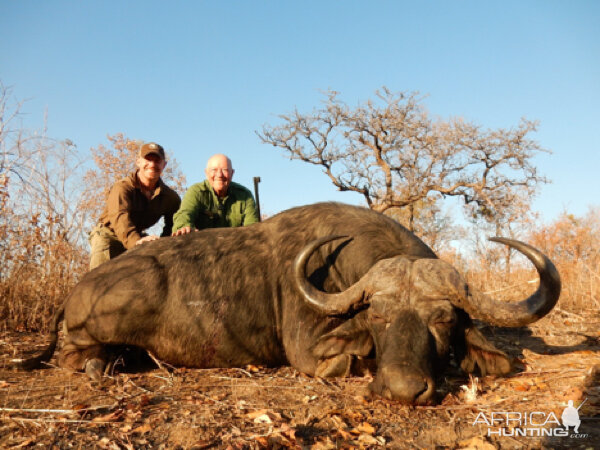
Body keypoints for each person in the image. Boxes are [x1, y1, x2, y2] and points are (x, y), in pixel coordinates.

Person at [88, 142, 181, 269]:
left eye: (157, 161)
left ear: (164, 165)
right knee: (99, 279)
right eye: (148, 159)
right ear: (138, 162)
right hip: (109, 235)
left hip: (138, 237)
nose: (152, 164)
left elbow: (174, 224)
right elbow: (120, 217)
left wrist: (164, 244)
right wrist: (136, 242)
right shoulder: (122, 187)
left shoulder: (171, 197)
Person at [172, 154, 259, 235]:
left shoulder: (245, 195)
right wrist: (184, 227)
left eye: (225, 170)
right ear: (206, 173)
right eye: (214, 170)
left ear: (232, 173)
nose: (219, 175)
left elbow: (252, 229)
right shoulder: (195, 192)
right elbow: (184, 214)